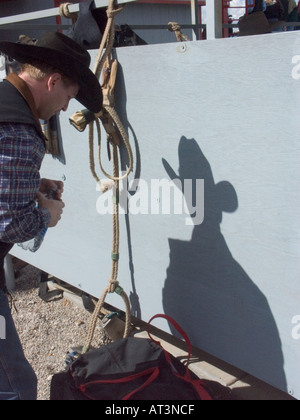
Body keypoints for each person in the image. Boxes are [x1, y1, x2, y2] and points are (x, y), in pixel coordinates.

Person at [0, 32, 102, 400]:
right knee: (13, 385)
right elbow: (13, 224)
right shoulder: (19, 132)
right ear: (53, 81)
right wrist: (47, 213)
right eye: (68, 98)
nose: (64, 109)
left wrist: (28, 181)